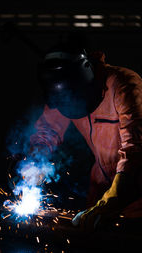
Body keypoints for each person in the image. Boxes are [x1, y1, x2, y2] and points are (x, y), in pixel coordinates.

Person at [29, 40, 142, 231]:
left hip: (137, 202)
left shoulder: (124, 85)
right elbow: (47, 130)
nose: (69, 108)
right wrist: (33, 162)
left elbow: (136, 151)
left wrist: (109, 203)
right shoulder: (64, 91)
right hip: (99, 198)